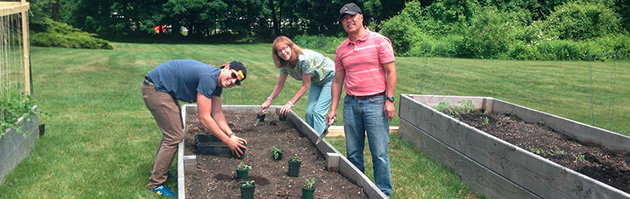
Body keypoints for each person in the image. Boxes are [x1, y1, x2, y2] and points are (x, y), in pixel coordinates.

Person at [142, 59, 248, 197]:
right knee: (174, 136)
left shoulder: (217, 84)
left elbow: (217, 113)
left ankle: (159, 171)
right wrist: (228, 142)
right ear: (226, 67)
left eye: (237, 82)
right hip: (155, 88)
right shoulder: (209, 78)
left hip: (163, 89)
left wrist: (231, 135)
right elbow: (204, 118)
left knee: (175, 133)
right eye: (233, 75)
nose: (233, 81)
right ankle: (156, 184)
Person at [326, 3, 396, 197]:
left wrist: (389, 100)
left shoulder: (379, 41)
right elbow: (338, 80)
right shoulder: (341, 49)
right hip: (351, 104)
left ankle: (383, 192)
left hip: (376, 103)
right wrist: (333, 109)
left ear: (361, 17)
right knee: (353, 153)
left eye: (351, 16)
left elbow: (391, 72)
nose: (348, 21)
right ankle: (357, 190)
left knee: (379, 153)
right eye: (344, 18)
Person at [260, 36, 335, 134]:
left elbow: (305, 85)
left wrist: (289, 104)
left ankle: (320, 144)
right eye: (279, 50)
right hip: (317, 80)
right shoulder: (285, 64)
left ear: (291, 46)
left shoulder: (303, 59)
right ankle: (311, 137)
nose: (283, 52)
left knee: (318, 112)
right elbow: (279, 85)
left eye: (285, 48)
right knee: (309, 113)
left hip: (330, 77)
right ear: (277, 54)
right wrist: (268, 100)